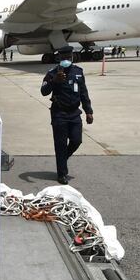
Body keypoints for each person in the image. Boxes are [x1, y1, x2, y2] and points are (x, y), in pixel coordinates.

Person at [41, 46, 94, 185]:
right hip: (59, 114)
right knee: (60, 145)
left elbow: (83, 93)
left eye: (68, 57)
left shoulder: (78, 72)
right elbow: (44, 91)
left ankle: (63, 158)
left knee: (77, 141)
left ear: (71, 57)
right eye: (63, 58)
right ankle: (62, 174)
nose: (66, 60)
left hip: (75, 114)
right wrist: (55, 81)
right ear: (59, 58)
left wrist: (89, 111)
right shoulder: (52, 73)